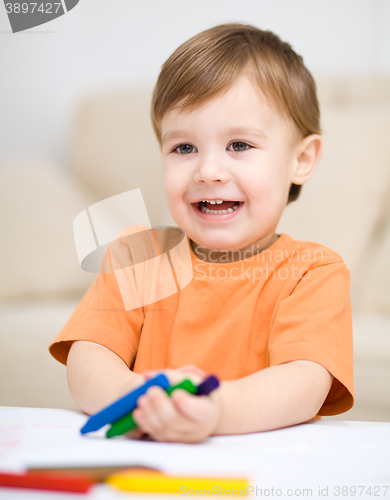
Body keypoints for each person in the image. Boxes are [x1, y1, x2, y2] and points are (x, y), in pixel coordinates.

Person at [49, 23, 354, 443]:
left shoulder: (312, 272)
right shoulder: (140, 255)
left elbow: (304, 382)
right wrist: (130, 395)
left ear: (301, 159)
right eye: (184, 148)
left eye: (239, 145)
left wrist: (218, 410)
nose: (208, 172)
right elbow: (90, 353)